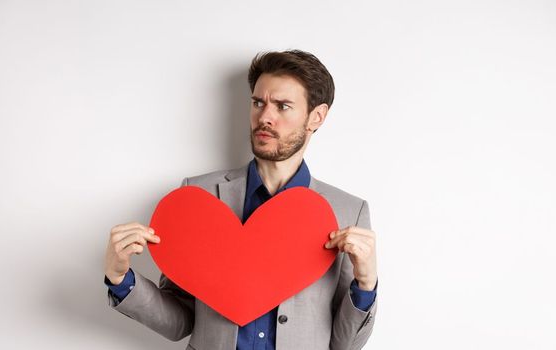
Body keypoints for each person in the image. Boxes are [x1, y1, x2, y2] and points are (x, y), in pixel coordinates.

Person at [103, 50, 378, 350]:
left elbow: (345, 345)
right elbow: (180, 318)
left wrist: (365, 284)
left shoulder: (349, 212)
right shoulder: (197, 197)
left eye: (282, 106)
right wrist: (121, 279)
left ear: (316, 117)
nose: (265, 117)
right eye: (258, 102)